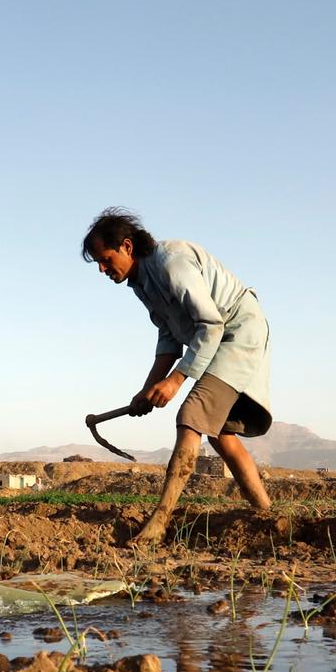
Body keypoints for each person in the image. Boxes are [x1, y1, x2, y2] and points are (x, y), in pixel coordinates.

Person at [82, 208, 273, 545]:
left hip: (235, 332)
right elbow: (169, 336)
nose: (101, 269)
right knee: (221, 434)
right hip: (215, 337)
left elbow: (211, 325)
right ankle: (267, 516)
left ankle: (160, 520)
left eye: (105, 259)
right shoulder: (141, 283)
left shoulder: (172, 263)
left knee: (191, 417)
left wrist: (176, 380)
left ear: (127, 246)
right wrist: (147, 389)